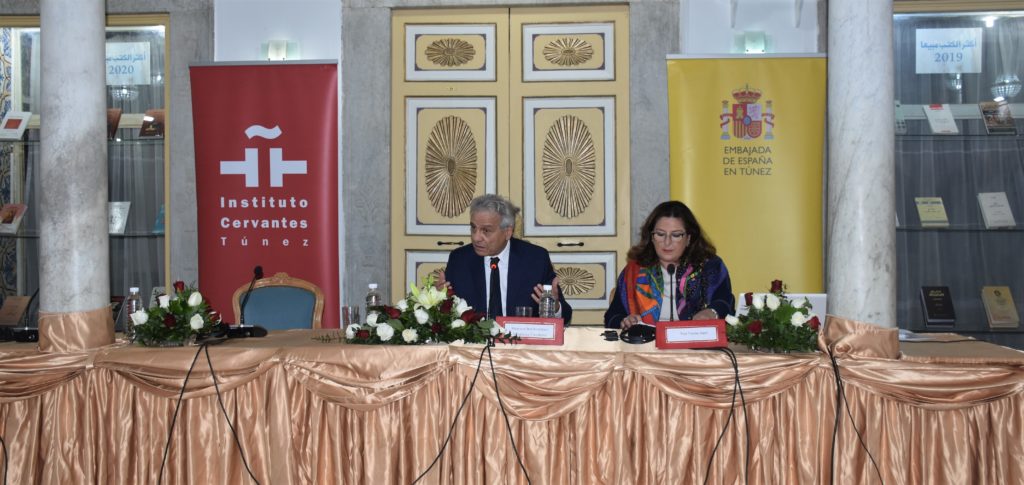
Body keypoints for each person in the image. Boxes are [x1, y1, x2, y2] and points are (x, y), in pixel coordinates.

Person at [439, 194, 572, 325]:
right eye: (473, 228)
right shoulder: (459, 260)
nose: (476, 237)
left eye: (486, 231)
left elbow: (565, 315)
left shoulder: (535, 259)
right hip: (474, 339)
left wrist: (554, 307)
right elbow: (445, 318)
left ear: (508, 232)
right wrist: (438, 300)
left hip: (521, 339)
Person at [605, 200, 734, 330]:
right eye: (660, 234)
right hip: (646, 341)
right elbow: (612, 316)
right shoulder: (635, 270)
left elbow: (725, 302)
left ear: (688, 238)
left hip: (694, 340)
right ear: (651, 237)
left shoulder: (709, 266)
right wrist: (625, 321)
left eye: (676, 235)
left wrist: (712, 312)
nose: (667, 242)